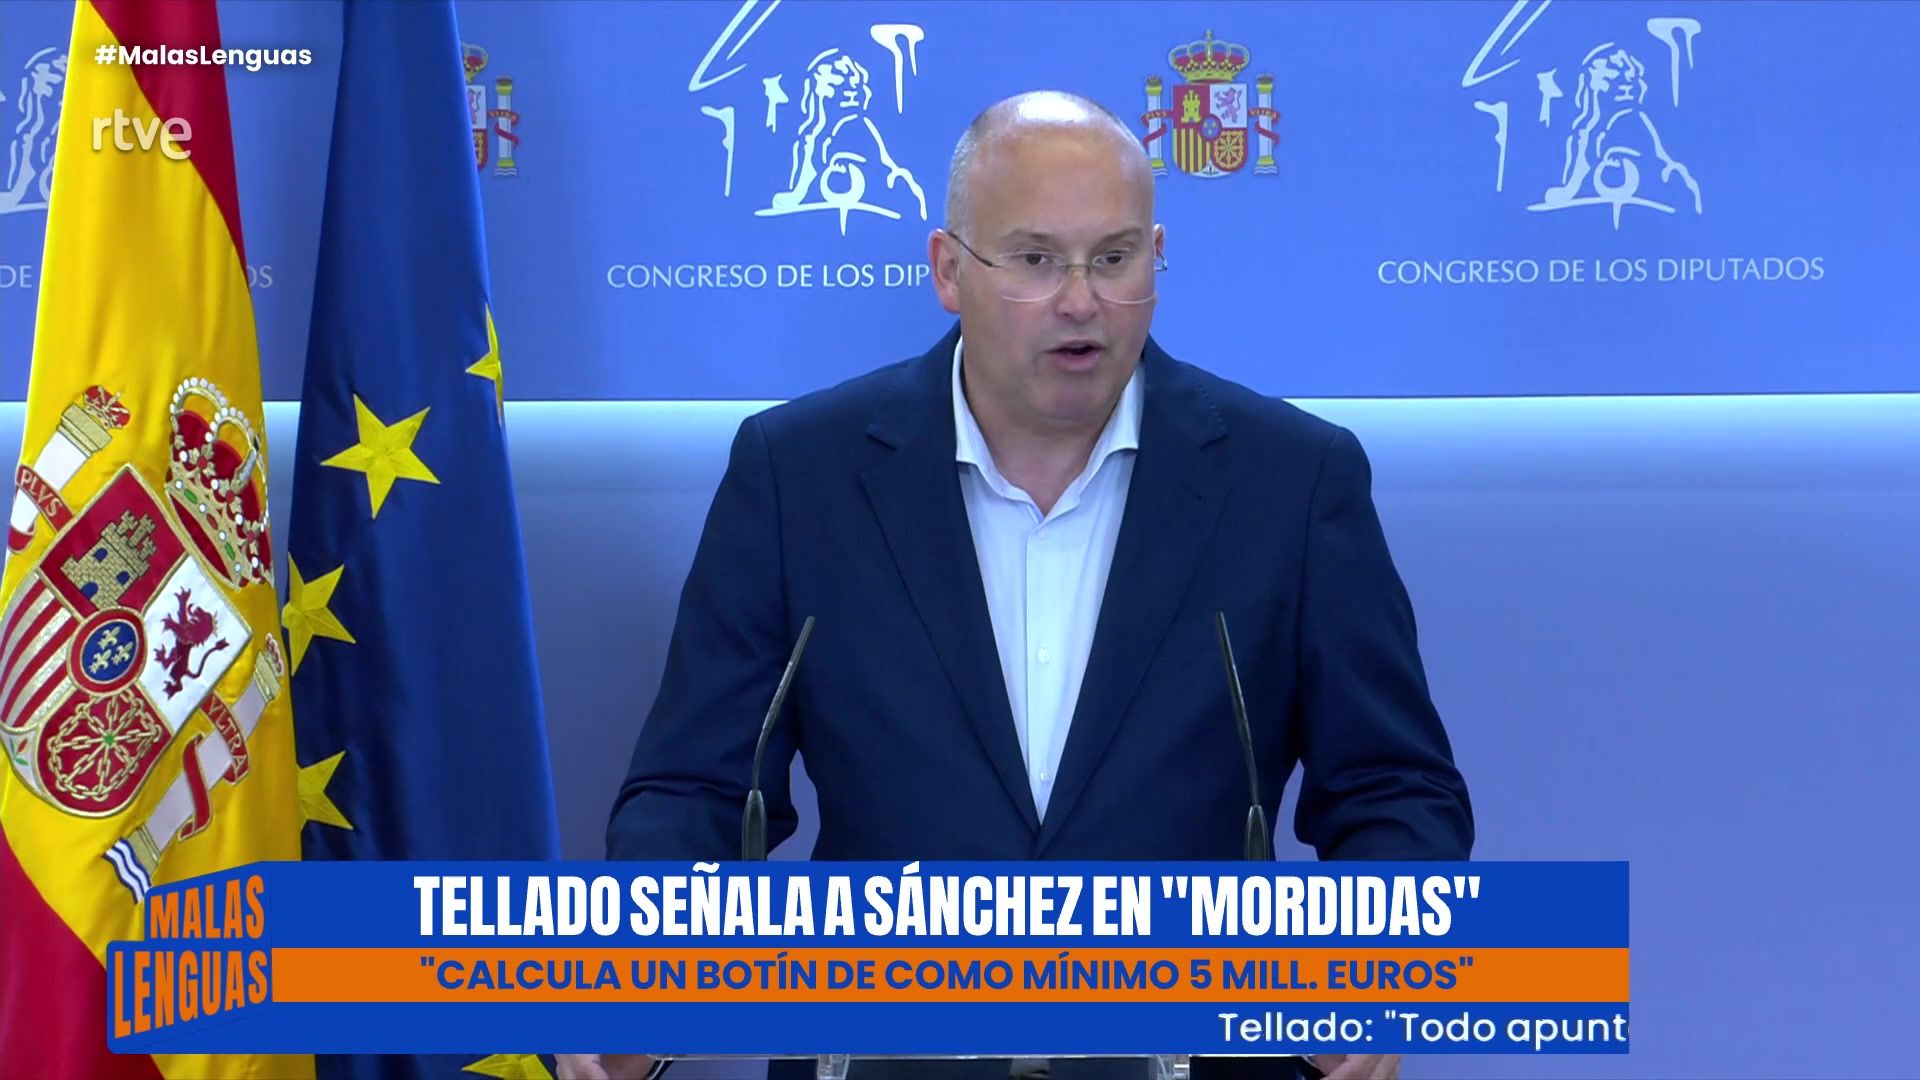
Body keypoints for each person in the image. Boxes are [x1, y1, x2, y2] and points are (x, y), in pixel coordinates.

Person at [560, 90, 1472, 1080]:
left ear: (1157, 257)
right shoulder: (798, 473)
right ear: (949, 270)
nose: (1081, 301)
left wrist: (1377, 967)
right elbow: (699, 785)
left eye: (1114, 258)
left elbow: (1393, 788)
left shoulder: (1291, 481)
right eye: (1036, 260)